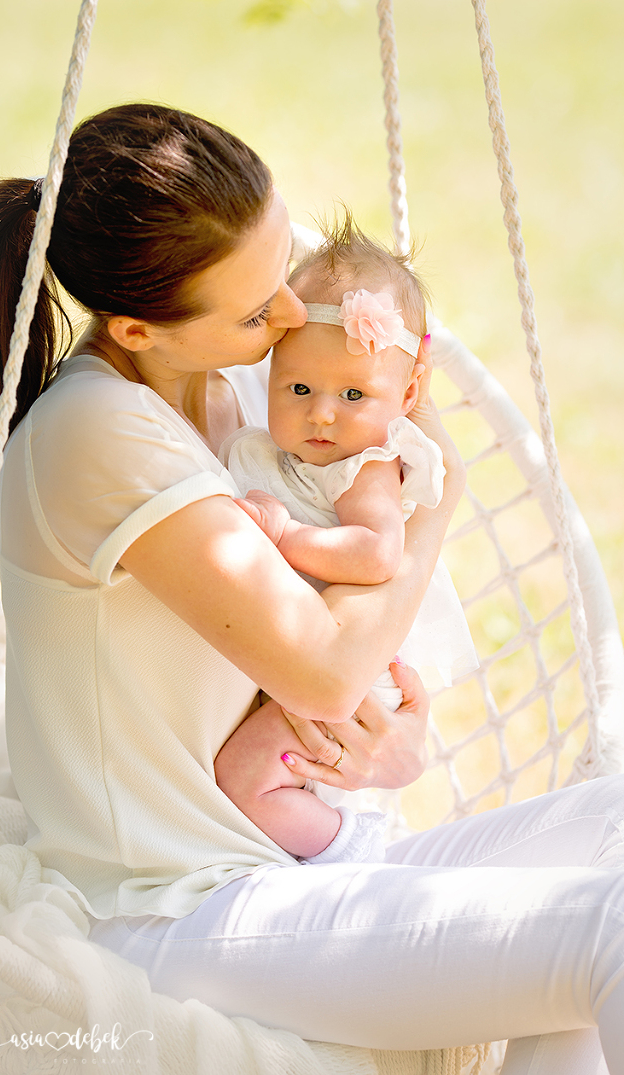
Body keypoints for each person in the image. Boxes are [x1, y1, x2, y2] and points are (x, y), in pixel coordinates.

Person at [0, 102, 624, 1074]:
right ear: (139, 327)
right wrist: (432, 488)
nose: (288, 317)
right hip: (178, 903)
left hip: (292, 849)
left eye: (282, 273)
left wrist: (376, 740)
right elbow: (323, 669)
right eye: (254, 311)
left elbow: (335, 663)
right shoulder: (95, 433)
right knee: (620, 923)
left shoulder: (233, 392)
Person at [215, 217, 478, 861]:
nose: (322, 412)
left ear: (408, 393)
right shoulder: (288, 454)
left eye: (354, 393)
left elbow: (377, 553)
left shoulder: (365, 465)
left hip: (359, 666)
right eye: (299, 388)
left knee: (246, 779)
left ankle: (348, 855)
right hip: (314, 656)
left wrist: (285, 534)